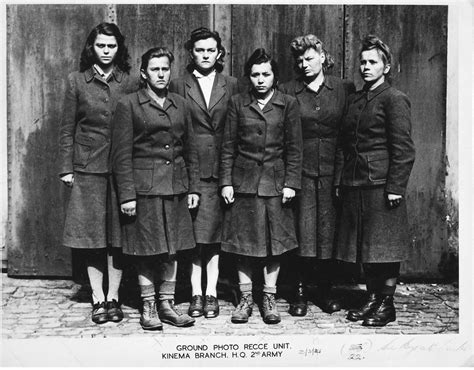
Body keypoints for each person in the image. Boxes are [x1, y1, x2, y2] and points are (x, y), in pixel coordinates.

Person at [111, 47, 200, 330]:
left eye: (165, 68)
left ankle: (167, 304)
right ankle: (148, 307)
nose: (161, 74)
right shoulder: (129, 104)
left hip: (175, 187)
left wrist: (194, 188)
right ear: (143, 73)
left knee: (172, 248)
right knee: (146, 249)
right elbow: (121, 155)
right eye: (155, 69)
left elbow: (191, 150)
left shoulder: (180, 104)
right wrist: (127, 195)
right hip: (145, 189)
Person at [334, 35, 416, 327]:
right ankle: (372, 296)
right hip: (356, 182)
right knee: (366, 246)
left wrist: (395, 187)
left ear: (386, 66)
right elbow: (346, 143)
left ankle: (387, 302)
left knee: (385, 246)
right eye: (363, 62)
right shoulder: (357, 99)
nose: (366, 67)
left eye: (373, 62)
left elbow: (404, 150)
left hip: (381, 184)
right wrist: (341, 179)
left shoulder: (394, 99)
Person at [58, 22, 137, 324]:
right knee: (92, 237)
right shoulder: (76, 81)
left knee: (116, 236)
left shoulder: (129, 81)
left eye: (112, 46)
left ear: (119, 49)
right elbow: (67, 128)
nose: (106, 51)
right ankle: (98, 298)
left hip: (120, 167)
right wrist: (67, 167)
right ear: (92, 47)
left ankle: (114, 297)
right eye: (101, 45)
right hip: (87, 167)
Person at [220, 48, 302, 324]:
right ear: (249, 77)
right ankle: (245, 297)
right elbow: (228, 146)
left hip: (275, 184)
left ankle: (269, 296)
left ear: (274, 77)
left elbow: (295, 148)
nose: (260, 80)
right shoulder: (237, 103)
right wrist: (226, 182)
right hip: (244, 184)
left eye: (266, 74)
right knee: (244, 244)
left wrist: (291, 183)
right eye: (255, 74)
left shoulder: (288, 104)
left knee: (274, 244)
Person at [279, 34, 355, 316]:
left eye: (309, 58)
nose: (304, 64)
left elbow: (348, 134)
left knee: (329, 234)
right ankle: (298, 291)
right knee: (302, 232)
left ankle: (324, 289)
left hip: (334, 171)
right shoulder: (288, 90)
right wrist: (290, 178)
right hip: (301, 170)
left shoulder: (343, 88)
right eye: (299, 60)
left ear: (322, 57)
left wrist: (340, 176)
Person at [169, 27, 239, 319]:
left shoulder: (231, 84)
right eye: (199, 50)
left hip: (222, 168)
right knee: (194, 236)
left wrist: (230, 176)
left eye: (211, 50)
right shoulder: (177, 84)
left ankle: (212, 292)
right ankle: (195, 293)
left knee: (214, 236)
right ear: (191, 52)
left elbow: (237, 128)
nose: (205, 55)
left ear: (219, 53)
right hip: (190, 168)